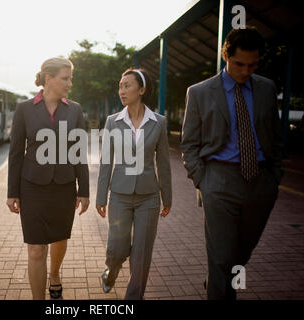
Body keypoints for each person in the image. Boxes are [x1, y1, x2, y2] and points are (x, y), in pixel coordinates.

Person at [180, 27, 282, 300]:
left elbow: (275, 134)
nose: (246, 71)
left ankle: (220, 282)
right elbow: (189, 143)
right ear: (226, 55)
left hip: (261, 182)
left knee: (241, 253)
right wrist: (202, 180)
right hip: (219, 179)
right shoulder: (200, 92)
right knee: (222, 254)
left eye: (252, 64)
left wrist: (274, 178)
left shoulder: (266, 88)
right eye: (239, 64)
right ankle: (220, 290)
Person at [6, 57, 90, 300]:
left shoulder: (74, 109)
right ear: (48, 79)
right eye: (65, 78)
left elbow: (79, 151)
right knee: (35, 249)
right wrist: (12, 192)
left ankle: (55, 274)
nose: (70, 83)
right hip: (31, 186)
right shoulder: (24, 109)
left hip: (64, 186)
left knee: (60, 239)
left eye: (70, 78)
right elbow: (15, 152)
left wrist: (83, 189)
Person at [96, 68, 172, 300]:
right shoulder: (112, 122)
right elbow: (106, 162)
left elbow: (164, 163)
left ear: (142, 89)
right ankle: (111, 271)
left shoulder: (158, 122)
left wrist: (167, 198)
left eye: (127, 85)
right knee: (117, 248)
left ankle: (133, 299)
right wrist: (100, 197)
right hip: (119, 194)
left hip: (149, 197)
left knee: (141, 255)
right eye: (120, 86)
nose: (122, 90)